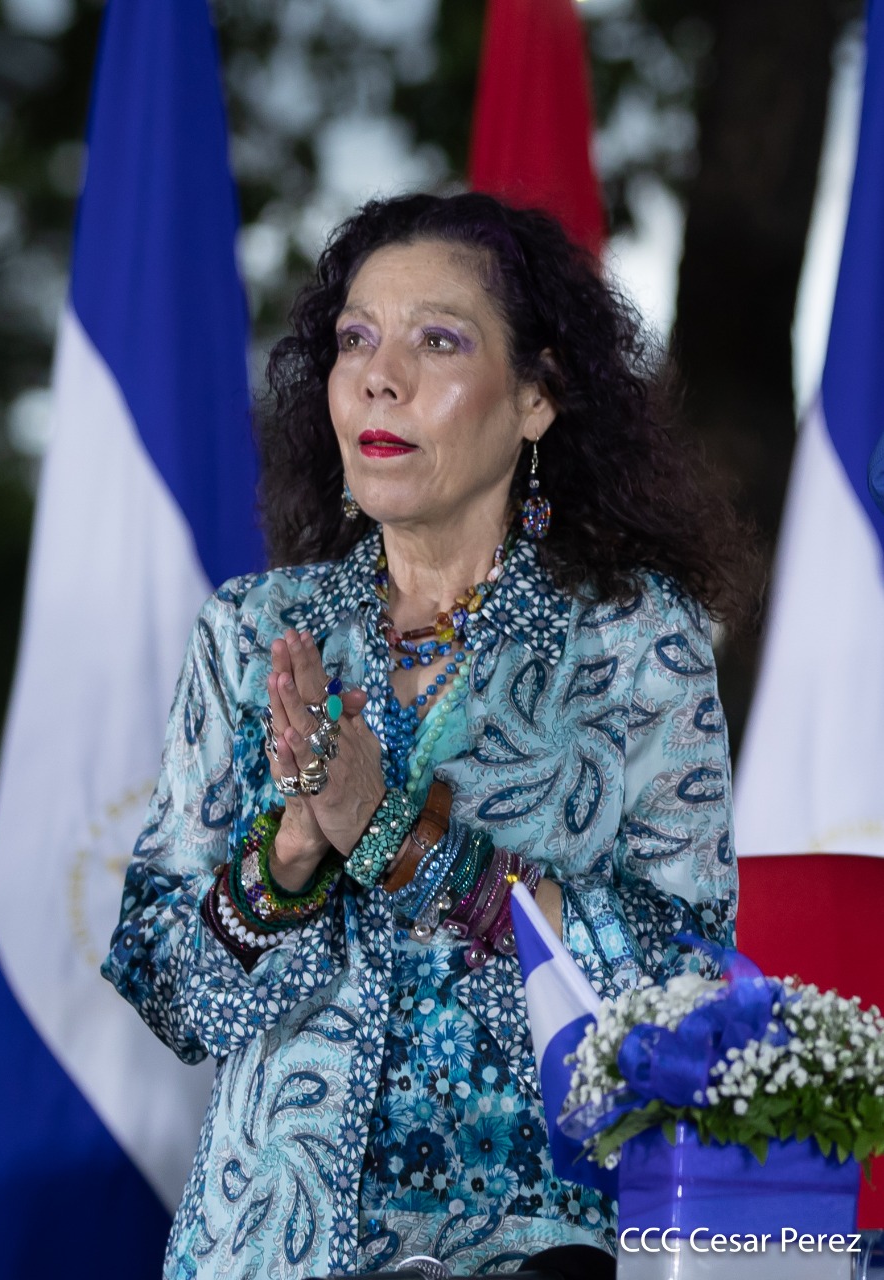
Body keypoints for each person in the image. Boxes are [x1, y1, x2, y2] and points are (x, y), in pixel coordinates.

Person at [103, 192, 751, 1279]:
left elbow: (682, 989)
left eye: (437, 340)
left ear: (537, 397)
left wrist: (400, 836)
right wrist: (288, 856)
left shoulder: (633, 639)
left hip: (531, 1243)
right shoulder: (252, 631)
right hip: (260, 1244)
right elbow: (171, 994)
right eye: (356, 339)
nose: (378, 377)